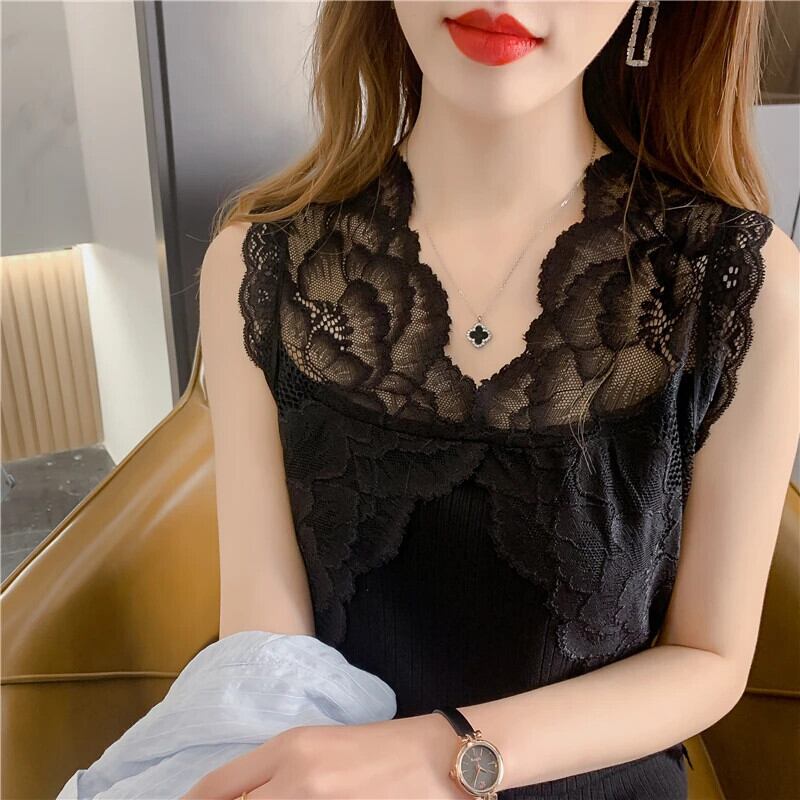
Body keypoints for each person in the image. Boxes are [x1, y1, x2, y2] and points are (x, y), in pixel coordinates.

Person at [190, 2, 799, 798]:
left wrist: (442, 756)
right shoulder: (257, 270)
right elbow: (267, 662)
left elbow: (709, 657)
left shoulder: (740, 285)